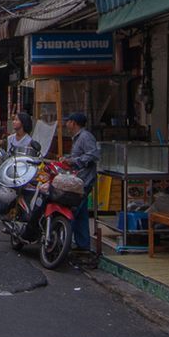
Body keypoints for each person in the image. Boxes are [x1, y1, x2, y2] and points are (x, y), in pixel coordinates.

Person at [62, 110, 102, 256]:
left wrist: (73, 161)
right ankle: (83, 244)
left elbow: (93, 154)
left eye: (68, 121)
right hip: (79, 179)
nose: (66, 124)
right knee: (81, 213)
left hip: (85, 180)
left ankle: (64, 241)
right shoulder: (77, 138)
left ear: (73, 123)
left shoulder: (85, 137)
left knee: (73, 210)